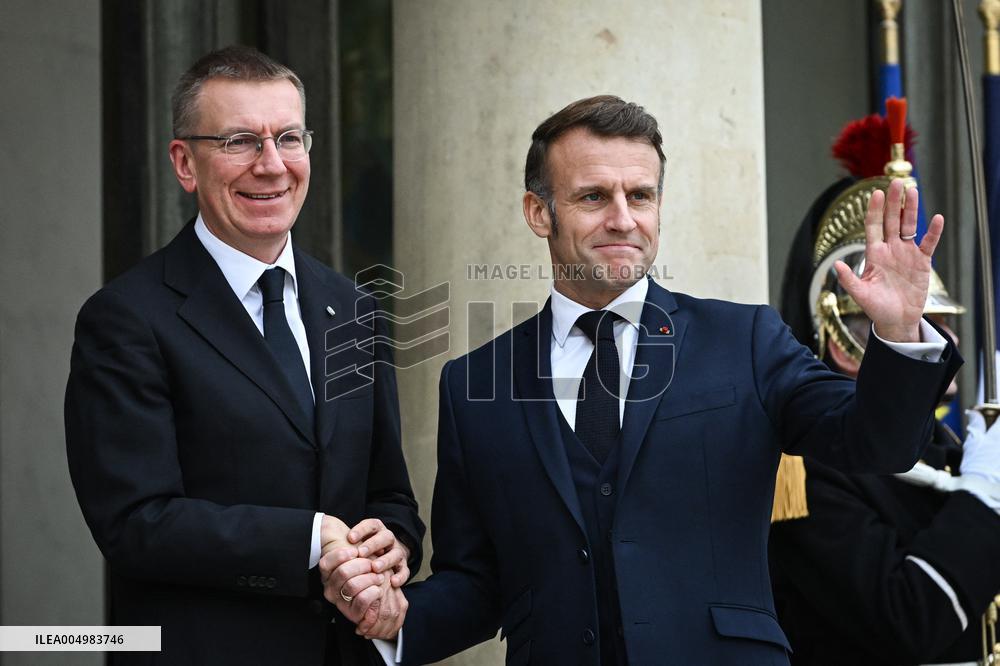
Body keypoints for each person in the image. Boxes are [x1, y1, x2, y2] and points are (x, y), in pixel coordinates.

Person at [323, 95, 962, 665]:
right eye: (593, 196)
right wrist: (397, 622)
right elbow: (479, 581)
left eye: (642, 195)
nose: (624, 218)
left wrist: (901, 337)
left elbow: (875, 445)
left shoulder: (746, 340)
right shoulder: (474, 385)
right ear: (538, 213)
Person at [64, 46, 422, 665]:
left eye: (288, 138)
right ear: (185, 163)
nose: (272, 165)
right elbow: (136, 524)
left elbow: (389, 493)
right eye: (239, 142)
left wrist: (390, 552)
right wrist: (309, 539)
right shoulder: (125, 318)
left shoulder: (355, 307)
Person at [768, 114, 1000, 665]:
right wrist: (985, 502)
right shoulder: (800, 469)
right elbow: (906, 621)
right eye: (870, 325)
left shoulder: (954, 450)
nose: (918, 341)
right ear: (826, 326)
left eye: (927, 324)